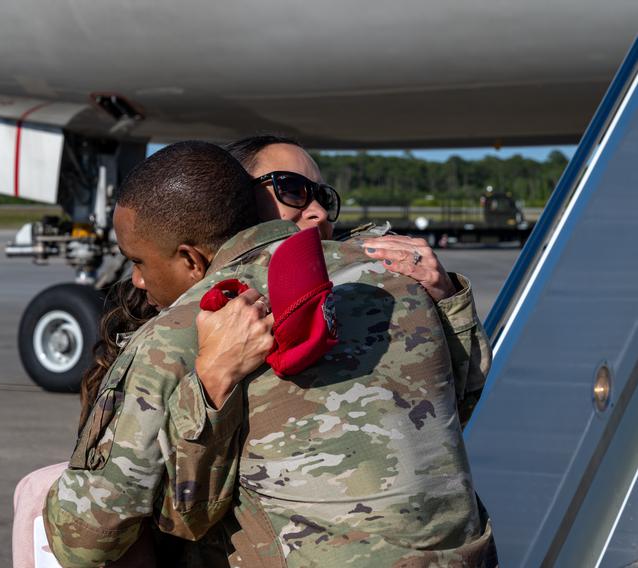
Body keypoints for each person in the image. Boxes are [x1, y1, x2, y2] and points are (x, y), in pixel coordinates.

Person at [42, 141, 495, 566]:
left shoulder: (181, 331)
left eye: (322, 196)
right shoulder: (398, 286)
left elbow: (87, 538)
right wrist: (449, 302)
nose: (315, 211)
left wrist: (206, 386)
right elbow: (453, 413)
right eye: (292, 190)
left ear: (191, 255)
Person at [226, 135, 489, 424]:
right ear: (236, 198)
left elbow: (461, 405)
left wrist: (447, 299)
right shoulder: (204, 302)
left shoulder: (374, 281)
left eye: (324, 197)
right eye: (290, 189)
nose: (321, 212)